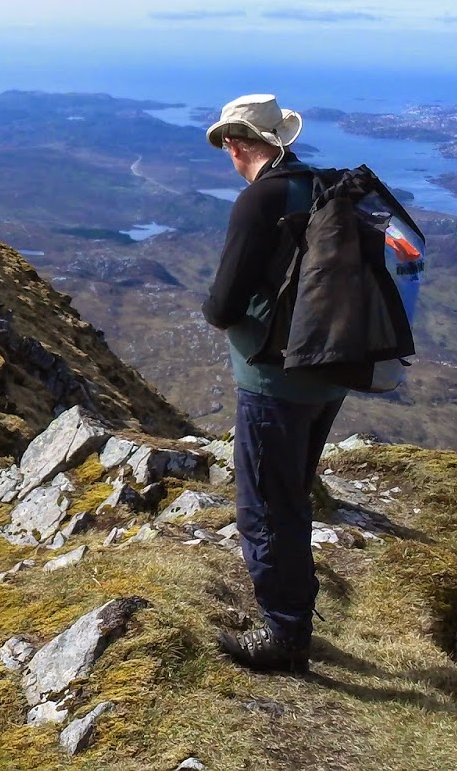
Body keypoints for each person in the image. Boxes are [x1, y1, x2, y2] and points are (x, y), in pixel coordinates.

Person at [201, 93, 348, 674]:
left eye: (227, 144)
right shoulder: (322, 186)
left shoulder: (259, 199)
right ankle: (294, 614)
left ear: (238, 144)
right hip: (327, 372)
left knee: (264, 506)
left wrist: (212, 307)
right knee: (290, 496)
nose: (228, 153)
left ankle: (286, 637)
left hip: (272, 379)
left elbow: (223, 305)